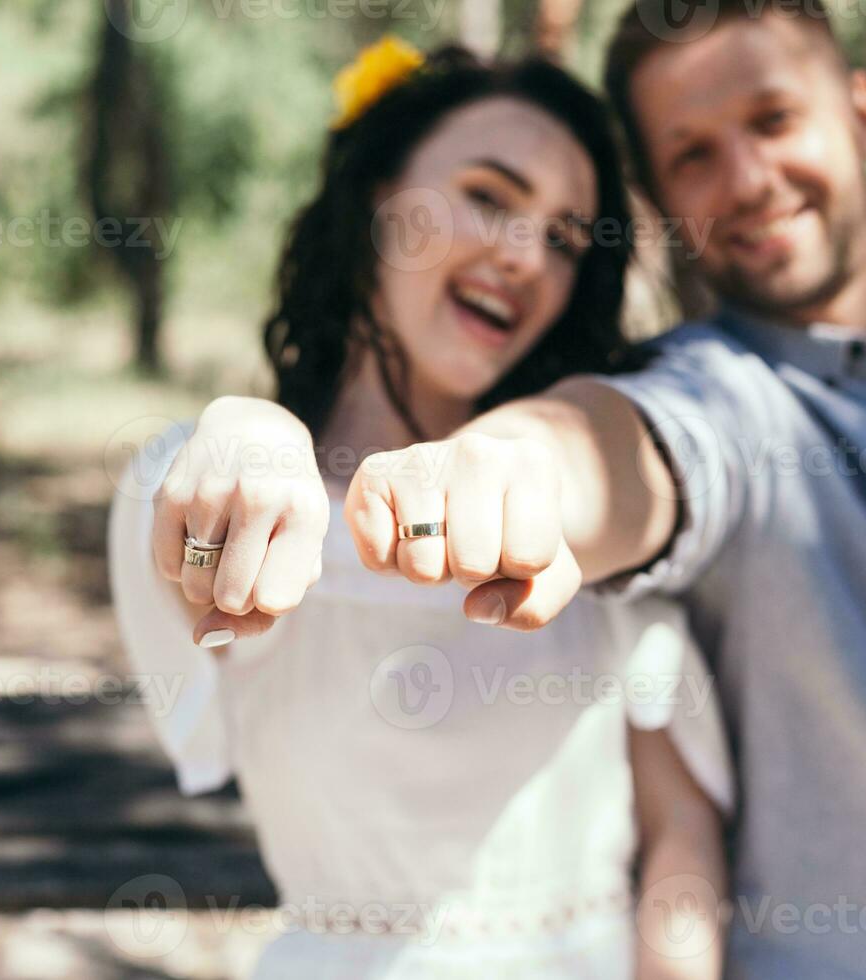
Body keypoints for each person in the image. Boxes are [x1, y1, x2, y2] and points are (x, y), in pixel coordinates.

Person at [178, 3, 866, 977]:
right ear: (663, 205)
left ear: (863, 113)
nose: (751, 176)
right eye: (692, 155)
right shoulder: (705, 393)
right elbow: (621, 454)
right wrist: (510, 470)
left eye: (774, 118)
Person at [108, 39, 730, 979]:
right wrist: (245, 436)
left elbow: (679, 836)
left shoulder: (585, 498)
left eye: (565, 237)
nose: (525, 255)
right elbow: (194, 538)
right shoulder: (243, 482)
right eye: (489, 195)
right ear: (376, 197)